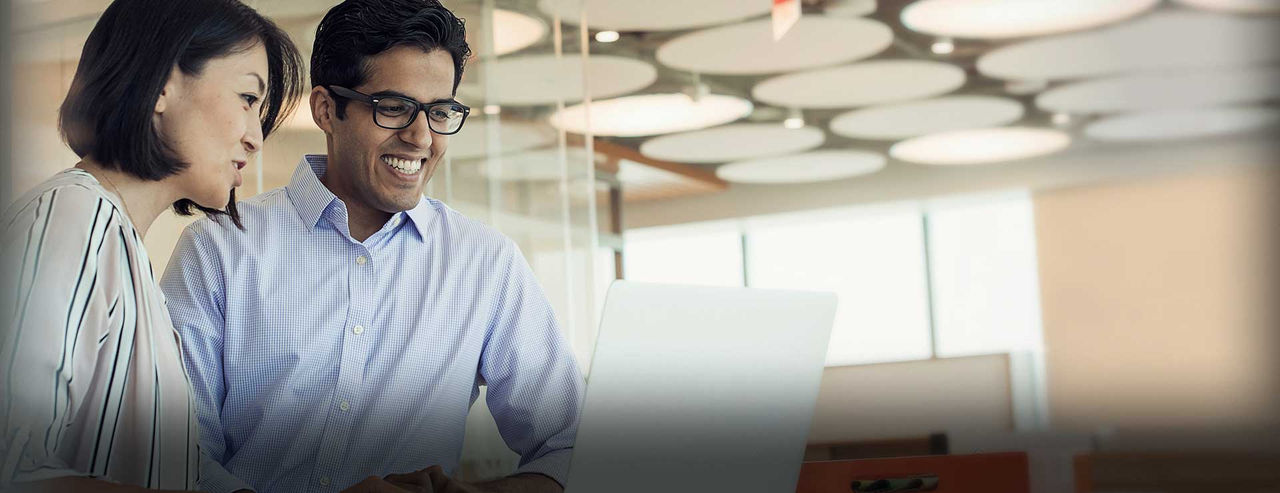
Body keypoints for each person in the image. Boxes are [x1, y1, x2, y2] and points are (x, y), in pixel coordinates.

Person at [160, 1, 585, 493]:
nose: (421, 136)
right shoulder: (219, 250)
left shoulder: (485, 264)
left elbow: (570, 444)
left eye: (439, 111)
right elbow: (178, 457)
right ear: (326, 109)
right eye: (394, 107)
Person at [0, 0, 305, 491]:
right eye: (249, 98)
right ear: (162, 83)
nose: (256, 138)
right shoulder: (72, 219)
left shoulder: (122, 249)